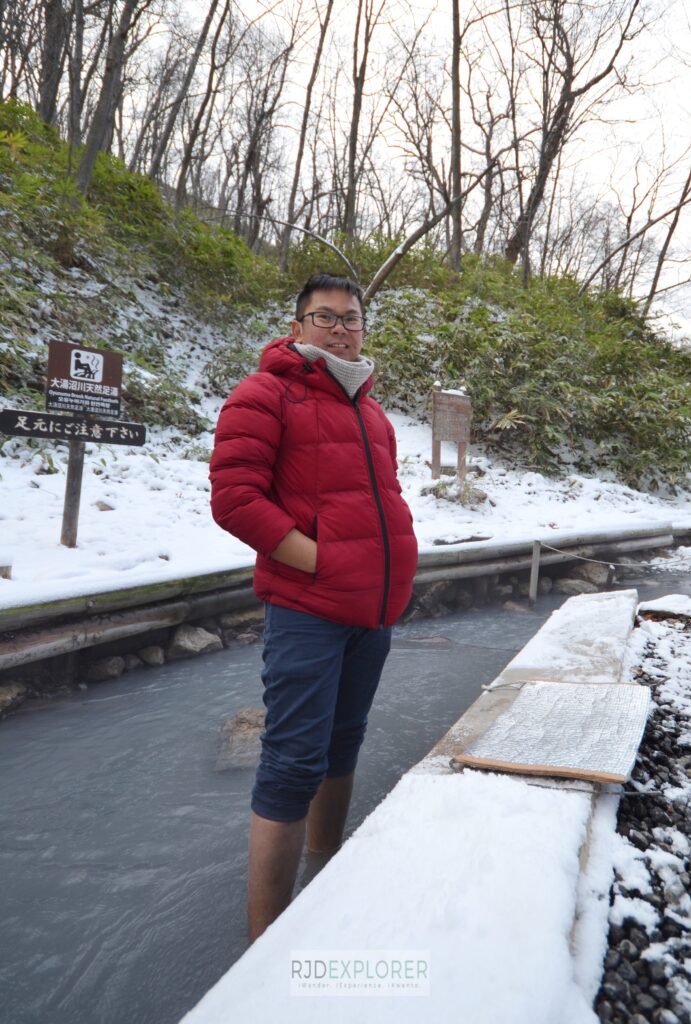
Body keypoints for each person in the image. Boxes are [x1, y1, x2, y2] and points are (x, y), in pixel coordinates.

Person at [209, 272, 418, 942]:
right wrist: (323, 562)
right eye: (324, 317)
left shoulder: (371, 410)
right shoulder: (264, 394)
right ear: (297, 326)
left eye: (351, 318)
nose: (339, 328)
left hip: (371, 613)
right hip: (306, 610)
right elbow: (235, 500)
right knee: (294, 759)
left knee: (343, 742)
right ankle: (264, 943)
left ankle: (326, 875)